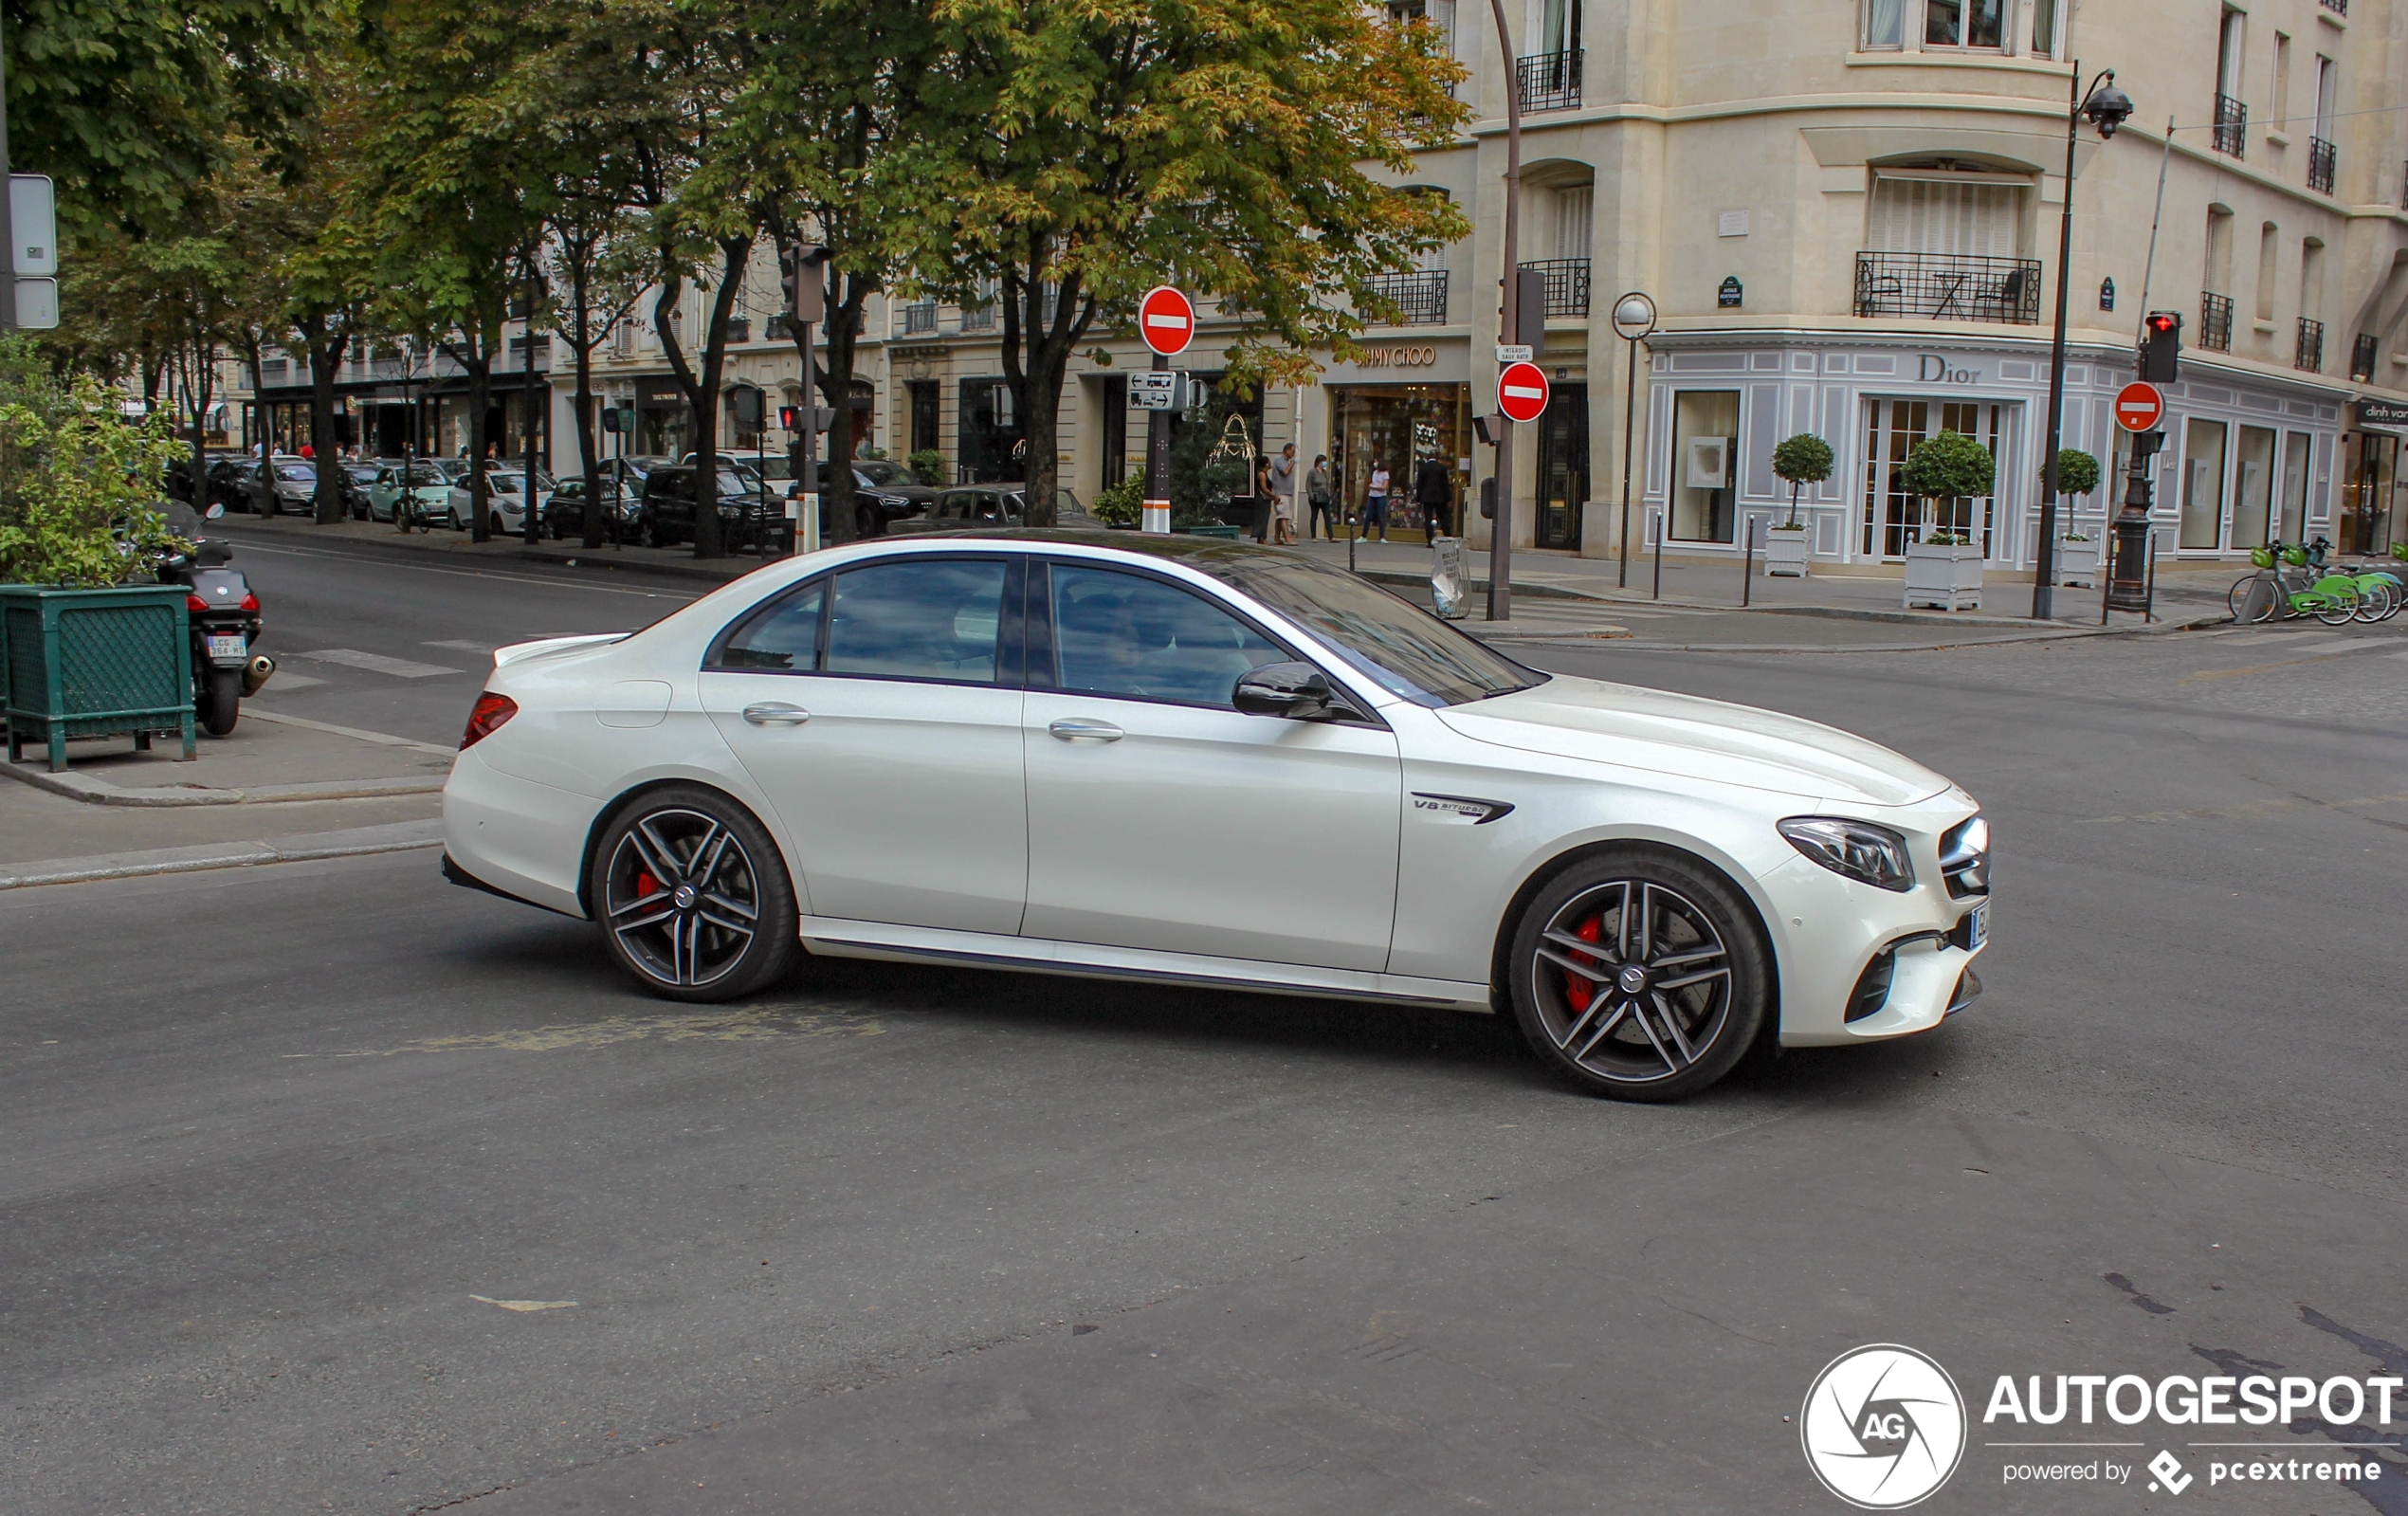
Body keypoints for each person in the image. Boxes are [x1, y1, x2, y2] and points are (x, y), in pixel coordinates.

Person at [1414, 452, 1454, 541]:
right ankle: (1448, 537)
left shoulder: (1423, 468)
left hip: (1427, 497)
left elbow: (1419, 485)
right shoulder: (1442, 468)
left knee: (1428, 518)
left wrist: (1419, 499)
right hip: (1440, 497)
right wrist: (1448, 498)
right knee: (1443, 517)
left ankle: (1429, 539)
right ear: (1437, 457)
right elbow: (1445, 485)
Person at [1268, 443, 1298, 545]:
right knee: (1283, 516)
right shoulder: (1279, 460)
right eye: (1292, 452)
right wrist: (1292, 464)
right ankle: (1287, 538)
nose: (1293, 454)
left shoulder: (1286, 461)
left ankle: (1277, 537)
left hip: (1287, 492)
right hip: (1281, 493)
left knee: (1280, 516)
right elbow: (1284, 472)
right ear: (1287, 450)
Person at [1306, 454, 1335, 539]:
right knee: (1314, 516)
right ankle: (1313, 536)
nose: (1325, 463)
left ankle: (1331, 536)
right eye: (1324, 461)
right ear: (1319, 462)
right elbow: (1308, 485)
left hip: (1324, 496)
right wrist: (1311, 496)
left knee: (1327, 516)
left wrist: (1328, 494)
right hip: (1315, 497)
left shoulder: (1324, 472)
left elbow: (1327, 484)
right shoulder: (1312, 472)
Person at [1363, 461, 1392, 542]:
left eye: (1377, 461)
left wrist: (1373, 487)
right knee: (1368, 516)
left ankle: (1381, 537)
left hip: (1381, 497)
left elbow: (1384, 487)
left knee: (1380, 517)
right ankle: (1364, 536)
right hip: (1372, 496)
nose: (1375, 463)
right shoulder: (1374, 472)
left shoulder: (1385, 474)